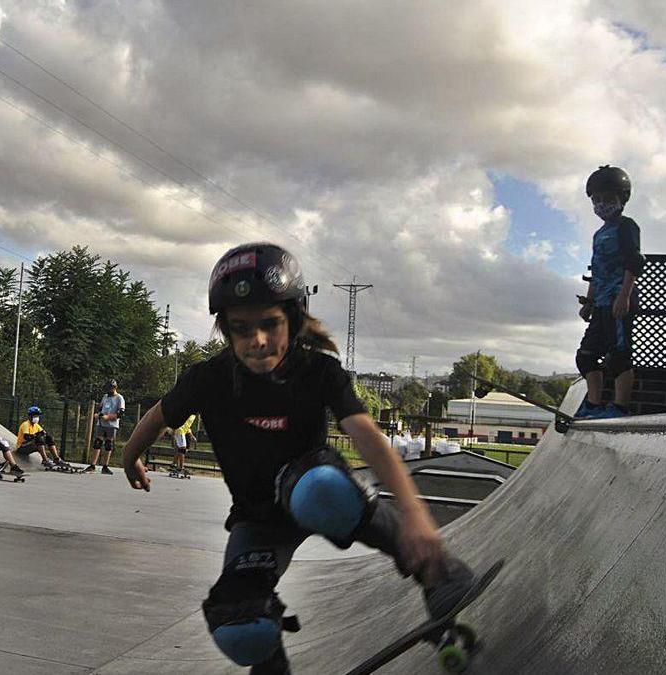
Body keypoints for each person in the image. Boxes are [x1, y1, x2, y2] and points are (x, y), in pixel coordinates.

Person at [119, 243, 476, 673]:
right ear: (225, 329)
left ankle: (437, 572)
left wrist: (417, 515)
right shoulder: (208, 378)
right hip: (259, 518)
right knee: (239, 624)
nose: (257, 341)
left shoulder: (318, 371)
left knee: (318, 492)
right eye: (241, 328)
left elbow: (367, 436)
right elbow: (159, 415)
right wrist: (130, 456)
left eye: (270, 324)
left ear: (292, 318)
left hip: (314, 485)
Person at [575, 165, 645, 419]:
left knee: (618, 356)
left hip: (618, 300)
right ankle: (593, 405)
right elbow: (598, 270)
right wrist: (589, 301)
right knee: (586, 356)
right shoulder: (598, 234)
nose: (602, 204)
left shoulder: (626, 226)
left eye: (608, 199)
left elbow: (634, 262)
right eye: (597, 200)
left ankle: (619, 407)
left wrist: (624, 295)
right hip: (602, 303)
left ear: (622, 199)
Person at [85, 379, 124, 474]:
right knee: (97, 442)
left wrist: (108, 417)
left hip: (111, 424)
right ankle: (93, 465)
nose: (108, 391)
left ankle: (105, 466)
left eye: (110, 389)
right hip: (101, 423)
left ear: (114, 388)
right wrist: (98, 414)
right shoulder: (105, 396)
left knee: (108, 443)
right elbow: (101, 407)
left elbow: (120, 413)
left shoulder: (119, 398)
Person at [16, 405, 69, 470]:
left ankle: (56, 459)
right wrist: (37, 435)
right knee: (39, 439)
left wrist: (45, 436)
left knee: (49, 438)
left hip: (31, 446)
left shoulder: (36, 425)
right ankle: (45, 460)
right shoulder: (25, 424)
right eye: (35, 416)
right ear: (29, 416)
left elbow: (44, 434)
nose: (37, 417)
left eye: (37, 416)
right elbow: (27, 437)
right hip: (22, 448)